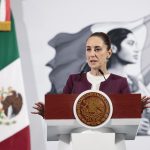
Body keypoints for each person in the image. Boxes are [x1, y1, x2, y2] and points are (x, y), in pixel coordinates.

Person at [32, 32, 150, 129]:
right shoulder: (74, 81)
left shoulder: (121, 82)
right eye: (89, 49)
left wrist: (134, 121)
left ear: (109, 53)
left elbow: (126, 120)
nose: (92, 54)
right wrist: (49, 114)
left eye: (97, 49)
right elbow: (65, 117)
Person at [107, 28, 150, 135]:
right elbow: (91, 118)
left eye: (136, 44)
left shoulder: (135, 81)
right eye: (130, 43)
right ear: (113, 48)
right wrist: (128, 126)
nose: (136, 49)